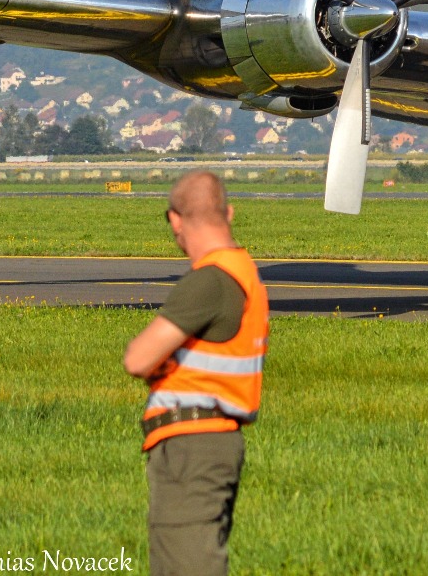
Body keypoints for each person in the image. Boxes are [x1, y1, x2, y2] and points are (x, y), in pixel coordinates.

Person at [123, 171, 267, 576]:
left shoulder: (211, 279)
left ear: (175, 220)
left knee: (186, 563)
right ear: (230, 212)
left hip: (192, 445)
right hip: (215, 441)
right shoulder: (242, 270)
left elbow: (137, 358)